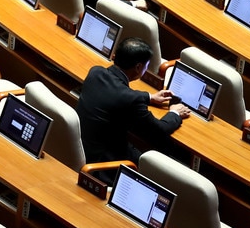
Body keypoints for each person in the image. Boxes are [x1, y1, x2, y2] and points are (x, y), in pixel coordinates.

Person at [76, 38, 187, 177]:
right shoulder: (130, 100)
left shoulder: (95, 72)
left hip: (83, 147)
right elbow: (158, 130)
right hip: (104, 163)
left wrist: (149, 97)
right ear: (138, 67)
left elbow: (117, 92)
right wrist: (175, 113)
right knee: (162, 160)